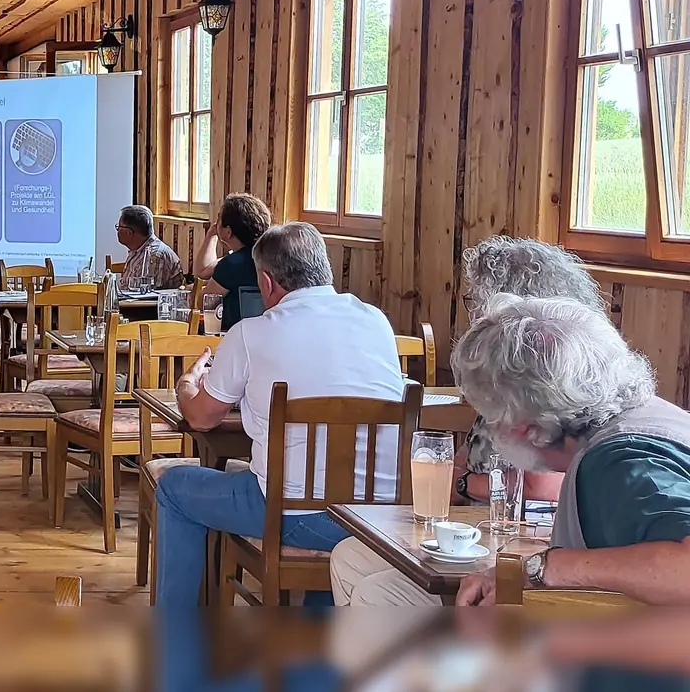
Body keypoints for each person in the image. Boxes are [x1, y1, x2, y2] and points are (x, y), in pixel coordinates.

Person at [330, 236, 601, 605]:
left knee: (375, 591)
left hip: (517, 537)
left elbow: (540, 486)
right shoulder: (505, 368)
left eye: (475, 298)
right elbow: (468, 453)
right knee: (350, 555)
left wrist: (463, 483)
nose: (472, 310)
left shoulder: (548, 375)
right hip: (475, 526)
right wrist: (454, 476)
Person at [153, 222, 407, 604]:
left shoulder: (250, 333)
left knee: (174, 488)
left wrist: (187, 383)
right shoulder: (376, 321)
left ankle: (176, 638)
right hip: (380, 517)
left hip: (294, 515)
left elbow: (202, 419)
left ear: (267, 283)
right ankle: (311, 657)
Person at [450, 296, 690, 606]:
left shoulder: (621, 462)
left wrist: (545, 567)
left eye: (489, 415)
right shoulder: (657, 416)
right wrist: (519, 571)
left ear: (522, 426)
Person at [195, 193, 272, 331]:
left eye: (219, 218)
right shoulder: (275, 255)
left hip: (233, 334)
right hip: (270, 332)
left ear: (228, 232)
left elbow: (204, 303)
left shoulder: (232, 264)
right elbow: (204, 270)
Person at [116, 204, 183, 290]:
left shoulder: (155, 256)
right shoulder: (138, 249)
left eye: (119, 227)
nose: (117, 230)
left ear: (129, 232)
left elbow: (149, 296)